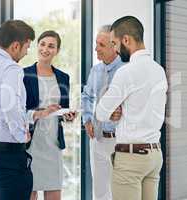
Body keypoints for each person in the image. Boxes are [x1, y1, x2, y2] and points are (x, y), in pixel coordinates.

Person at [0, 20, 59, 200]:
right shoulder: (12, 69)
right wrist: (20, 134)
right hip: (8, 155)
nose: (27, 52)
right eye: (26, 47)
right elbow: (9, 104)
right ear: (15, 46)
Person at [96, 16, 168, 200]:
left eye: (115, 43)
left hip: (131, 158)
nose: (116, 50)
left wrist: (113, 109)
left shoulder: (126, 72)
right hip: (154, 156)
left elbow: (101, 112)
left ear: (126, 40)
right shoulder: (159, 70)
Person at [23, 30, 76, 200]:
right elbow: (17, 111)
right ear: (37, 46)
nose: (46, 49)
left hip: (53, 143)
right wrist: (41, 112)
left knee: (54, 193)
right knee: (29, 193)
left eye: (51, 46)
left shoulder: (63, 77)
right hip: (30, 143)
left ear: (57, 51)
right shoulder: (23, 74)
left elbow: (63, 109)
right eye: (42, 44)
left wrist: (67, 116)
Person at [81, 25, 124, 200]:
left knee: (119, 192)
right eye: (96, 43)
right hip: (98, 139)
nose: (96, 48)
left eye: (101, 44)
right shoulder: (96, 70)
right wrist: (87, 119)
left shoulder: (126, 69)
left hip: (120, 139)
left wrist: (122, 111)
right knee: (99, 192)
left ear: (115, 46)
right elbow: (87, 96)